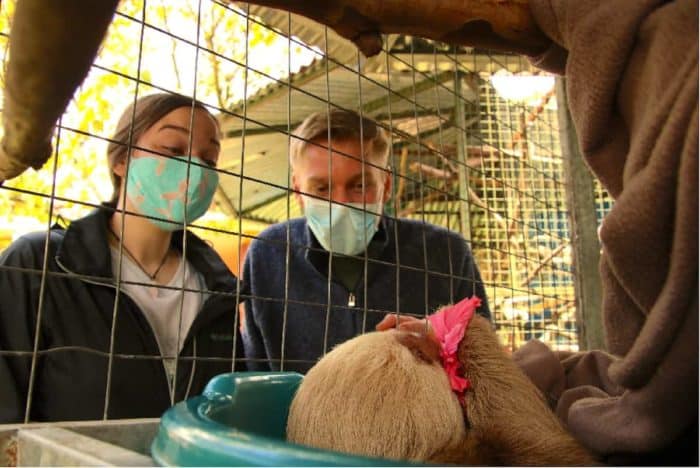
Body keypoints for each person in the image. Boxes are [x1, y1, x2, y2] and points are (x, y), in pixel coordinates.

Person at [0, 92, 245, 423]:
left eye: (209, 160)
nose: (195, 169)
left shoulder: (221, 288)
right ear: (121, 159)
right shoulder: (39, 264)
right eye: (173, 150)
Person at [241, 108, 491, 373]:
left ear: (386, 185)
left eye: (359, 186)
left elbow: (488, 366)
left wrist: (443, 352)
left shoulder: (445, 253)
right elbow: (255, 371)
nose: (340, 204)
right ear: (298, 191)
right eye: (322, 189)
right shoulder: (268, 254)